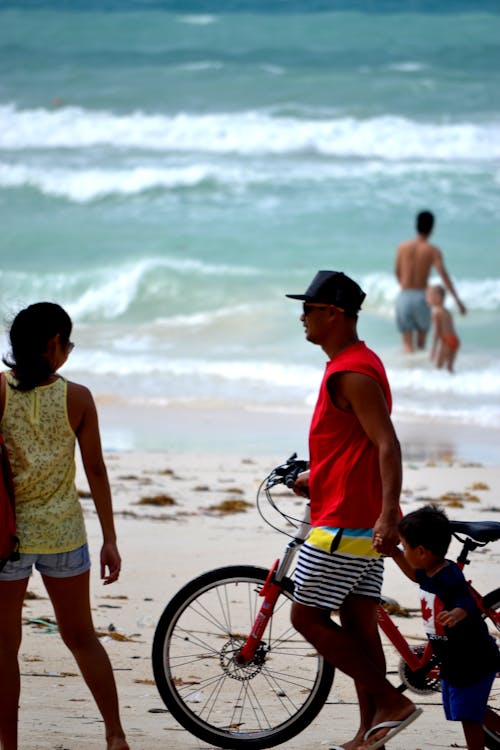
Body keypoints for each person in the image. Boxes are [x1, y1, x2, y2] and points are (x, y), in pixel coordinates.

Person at [285, 271, 421, 750]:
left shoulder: (352, 372)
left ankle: (393, 703)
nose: (301, 316)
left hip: (348, 522)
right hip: (356, 516)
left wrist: (388, 516)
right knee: (361, 628)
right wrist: (314, 477)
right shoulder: (355, 363)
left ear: (332, 313)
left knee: (304, 617)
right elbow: (355, 447)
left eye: (308, 308)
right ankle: (371, 733)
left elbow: (388, 445)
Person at [0, 303, 129, 750]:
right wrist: (110, 538)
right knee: (81, 637)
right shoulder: (78, 397)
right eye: (68, 343)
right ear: (54, 343)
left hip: (7, 538)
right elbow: (95, 470)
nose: (69, 350)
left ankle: (9, 746)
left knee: (4, 649)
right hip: (63, 534)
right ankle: (115, 735)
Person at [388, 505, 500, 750]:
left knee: (469, 715)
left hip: (472, 658)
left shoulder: (448, 575)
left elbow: (466, 599)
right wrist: (396, 554)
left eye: (405, 547)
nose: (403, 550)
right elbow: (415, 576)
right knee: (468, 709)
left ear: (421, 551)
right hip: (452, 659)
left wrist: (458, 612)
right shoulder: (429, 570)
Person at [394, 210, 466, 353]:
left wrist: (405, 287)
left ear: (416, 226)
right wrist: (458, 301)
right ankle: (422, 372)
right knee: (421, 344)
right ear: (432, 228)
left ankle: (410, 372)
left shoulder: (402, 247)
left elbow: (397, 272)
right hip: (422, 297)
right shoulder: (433, 250)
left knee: (407, 344)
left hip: (403, 297)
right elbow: (444, 276)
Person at [426, 284, 460, 372]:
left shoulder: (436, 313)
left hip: (447, 341)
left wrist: (433, 349)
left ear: (438, 297)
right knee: (449, 368)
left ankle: (441, 384)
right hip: (455, 340)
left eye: (429, 296)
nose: (427, 299)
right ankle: (453, 383)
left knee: (439, 366)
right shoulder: (446, 311)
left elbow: (437, 333)